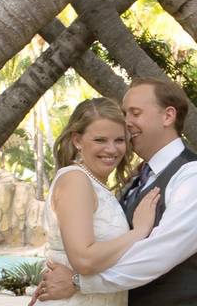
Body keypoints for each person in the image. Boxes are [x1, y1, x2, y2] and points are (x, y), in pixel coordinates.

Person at [34, 78, 197, 306]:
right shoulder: (138, 179)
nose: (126, 123)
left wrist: (79, 283)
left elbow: (161, 252)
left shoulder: (196, 177)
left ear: (168, 116)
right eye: (125, 114)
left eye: (135, 113)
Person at [37, 97, 161, 305]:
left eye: (119, 140)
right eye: (100, 140)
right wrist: (138, 232)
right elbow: (84, 260)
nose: (112, 150)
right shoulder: (76, 180)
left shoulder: (95, 184)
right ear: (77, 140)